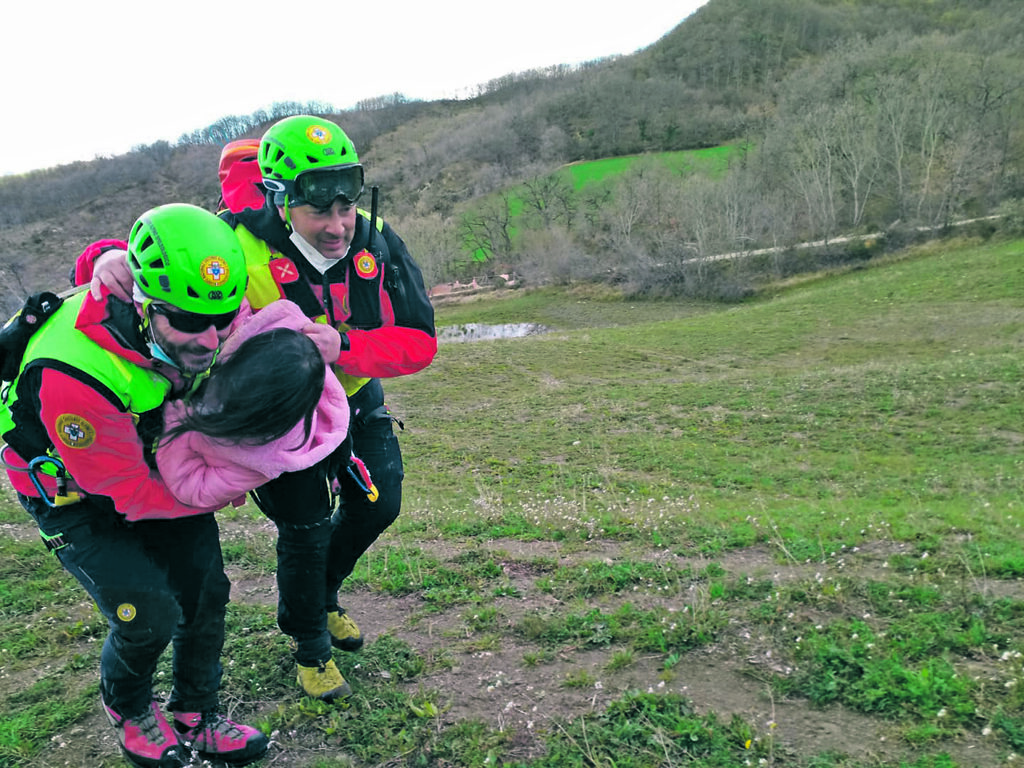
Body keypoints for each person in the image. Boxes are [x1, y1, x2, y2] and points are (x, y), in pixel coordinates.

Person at [79, 115, 438, 701]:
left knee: (380, 504)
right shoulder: (236, 240)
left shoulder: (375, 237)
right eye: (320, 211)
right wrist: (105, 259)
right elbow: (162, 259)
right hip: (277, 418)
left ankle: (321, 598)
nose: (337, 227)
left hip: (353, 397)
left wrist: (345, 347)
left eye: (346, 207)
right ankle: (309, 643)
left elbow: (421, 340)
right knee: (305, 528)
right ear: (278, 196)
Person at [1, 204, 269, 768]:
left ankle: (197, 713)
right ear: (143, 305)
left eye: (222, 318)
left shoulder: (206, 302)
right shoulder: (72, 370)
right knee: (147, 613)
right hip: (73, 489)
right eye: (190, 323)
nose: (211, 337)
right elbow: (124, 492)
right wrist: (217, 489)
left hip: (150, 458)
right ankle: (128, 709)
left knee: (206, 592)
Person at [156, 299, 350, 511]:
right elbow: (235, 310)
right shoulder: (261, 336)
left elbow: (194, 489)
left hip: (169, 450)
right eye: (228, 384)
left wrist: (174, 421)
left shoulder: (266, 456)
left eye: (234, 405)